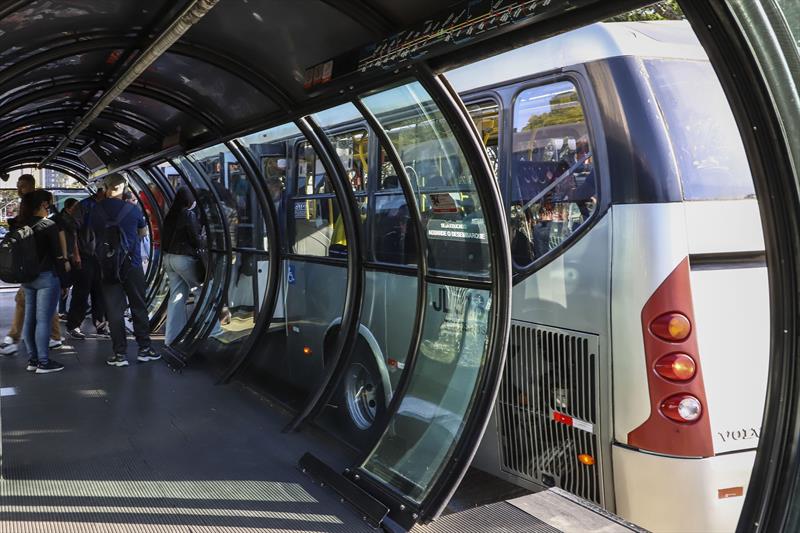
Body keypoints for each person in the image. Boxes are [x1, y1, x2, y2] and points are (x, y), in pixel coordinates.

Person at [89, 173, 160, 366]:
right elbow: (143, 233)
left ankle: (119, 354)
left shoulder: (95, 211)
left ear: (105, 187)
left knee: (114, 310)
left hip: (107, 267)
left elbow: (92, 235)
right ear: (124, 188)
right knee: (138, 306)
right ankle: (144, 349)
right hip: (132, 264)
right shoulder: (133, 210)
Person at [0, 174, 64, 355]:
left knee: (26, 303)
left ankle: (19, 342)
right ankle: (53, 339)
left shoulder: (34, 208)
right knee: (43, 306)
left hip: (36, 267)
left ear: (31, 187)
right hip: (37, 268)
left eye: (23, 186)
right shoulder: (36, 213)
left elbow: (56, 242)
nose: (19, 189)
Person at [17, 189, 70, 373]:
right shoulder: (48, 225)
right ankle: (44, 362)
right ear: (43, 204)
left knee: (29, 320)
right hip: (47, 276)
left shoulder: (19, 225)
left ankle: (33, 360)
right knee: (43, 321)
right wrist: (64, 282)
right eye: (50, 203)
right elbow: (57, 256)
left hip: (27, 278)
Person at [66, 188, 109, 339]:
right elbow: (73, 231)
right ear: (102, 190)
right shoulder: (84, 206)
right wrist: (75, 254)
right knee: (81, 291)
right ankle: (74, 324)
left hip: (100, 255)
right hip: (85, 254)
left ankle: (100, 324)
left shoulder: (105, 205)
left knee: (99, 291)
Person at [161, 187, 202, 345]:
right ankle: (209, 331)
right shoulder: (188, 214)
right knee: (200, 290)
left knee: (176, 297)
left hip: (169, 258)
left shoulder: (170, 215)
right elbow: (195, 238)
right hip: (183, 258)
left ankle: (171, 338)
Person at [54, 198, 80, 319]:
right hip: (66, 256)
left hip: (66, 255)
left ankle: (62, 310)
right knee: (64, 283)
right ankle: (62, 310)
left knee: (65, 283)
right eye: (75, 207)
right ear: (69, 208)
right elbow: (71, 238)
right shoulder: (66, 221)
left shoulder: (62, 218)